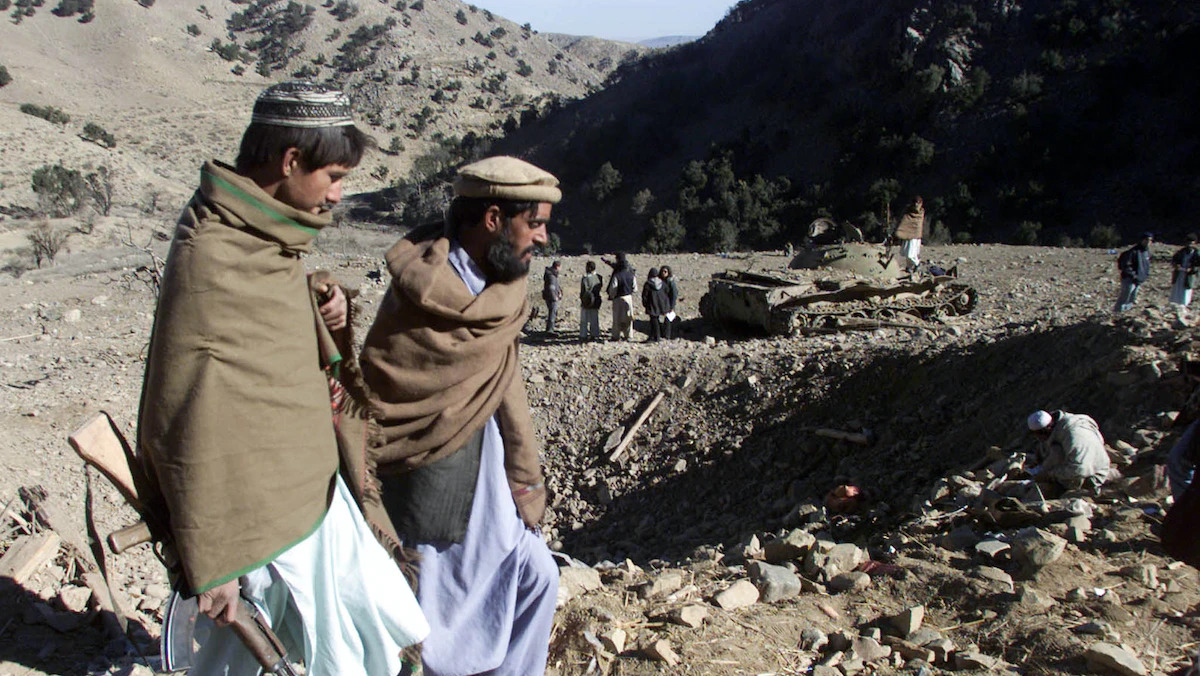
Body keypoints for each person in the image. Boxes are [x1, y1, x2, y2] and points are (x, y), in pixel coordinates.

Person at [136, 81, 427, 676]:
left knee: (358, 648)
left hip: (312, 500)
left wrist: (319, 304)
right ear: (291, 161)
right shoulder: (213, 253)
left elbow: (263, 341)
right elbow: (189, 411)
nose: (339, 194)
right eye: (334, 177)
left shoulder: (260, 238)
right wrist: (213, 560)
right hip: (257, 524)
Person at [360, 155, 561, 676]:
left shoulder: (502, 290)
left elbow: (506, 388)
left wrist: (524, 481)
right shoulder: (423, 295)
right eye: (534, 224)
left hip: (492, 490)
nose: (542, 238)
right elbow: (388, 387)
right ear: (493, 219)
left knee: (537, 577)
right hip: (431, 489)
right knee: (436, 626)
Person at [1026, 409, 1112, 495]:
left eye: (1038, 434)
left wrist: (1049, 474)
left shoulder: (1073, 434)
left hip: (1092, 476)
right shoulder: (1059, 428)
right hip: (1083, 469)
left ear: (1047, 429)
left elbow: (1079, 469)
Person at [1114, 232, 1153, 312]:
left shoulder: (1146, 253)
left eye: (1150, 240)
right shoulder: (1132, 252)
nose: (1148, 242)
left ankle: (1125, 312)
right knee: (1125, 297)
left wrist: (1144, 276)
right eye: (1146, 240)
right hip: (1129, 279)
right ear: (1142, 240)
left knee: (1132, 297)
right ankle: (1118, 312)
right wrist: (1133, 276)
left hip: (1139, 279)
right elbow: (1126, 266)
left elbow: (1146, 266)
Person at [605, 252, 637, 341]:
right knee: (628, 317)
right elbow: (635, 288)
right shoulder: (631, 274)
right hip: (628, 297)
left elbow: (613, 288)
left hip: (618, 298)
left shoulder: (617, 275)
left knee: (617, 318)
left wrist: (612, 295)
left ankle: (616, 335)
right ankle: (629, 335)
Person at [1169, 234, 1199, 313]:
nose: (1190, 245)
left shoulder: (1196, 254)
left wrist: (1191, 269)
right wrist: (1176, 265)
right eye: (1188, 243)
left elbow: (1197, 266)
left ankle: (1183, 307)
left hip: (1188, 276)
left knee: (1186, 292)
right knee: (1176, 290)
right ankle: (1174, 307)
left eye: (1191, 243)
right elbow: (1174, 261)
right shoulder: (1181, 252)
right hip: (1179, 275)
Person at [894, 196, 924, 273]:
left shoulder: (920, 213)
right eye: (915, 202)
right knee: (907, 253)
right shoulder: (908, 211)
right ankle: (909, 267)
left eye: (918, 203)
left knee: (910, 254)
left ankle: (917, 264)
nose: (916, 205)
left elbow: (918, 225)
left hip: (915, 236)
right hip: (907, 235)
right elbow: (904, 221)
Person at [642, 266, 670, 342]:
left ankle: (656, 337)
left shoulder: (648, 284)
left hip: (652, 305)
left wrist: (645, 304)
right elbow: (667, 291)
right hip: (662, 304)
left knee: (654, 321)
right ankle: (654, 336)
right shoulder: (662, 283)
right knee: (657, 320)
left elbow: (645, 296)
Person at [579, 260, 603, 340]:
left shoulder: (585, 278)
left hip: (586, 300)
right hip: (596, 300)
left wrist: (582, 298)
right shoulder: (599, 277)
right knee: (594, 319)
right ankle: (595, 334)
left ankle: (583, 335)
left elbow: (583, 290)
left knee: (584, 320)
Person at [542, 259, 562, 333]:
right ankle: (550, 330)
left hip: (548, 296)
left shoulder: (551, 274)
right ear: (557, 267)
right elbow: (551, 287)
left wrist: (559, 291)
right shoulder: (552, 276)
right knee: (552, 313)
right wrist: (555, 297)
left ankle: (550, 328)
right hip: (551, 298)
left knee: (552, 313)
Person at [660, 265, 679, 339]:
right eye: (662, 271)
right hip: (662, 303)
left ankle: (667, 335)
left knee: (668, 319)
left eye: (665, 271)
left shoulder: (670, 282)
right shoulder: (660, 281)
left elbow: (674, 294)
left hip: (669, 303)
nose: (663, 273)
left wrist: (672, 306)